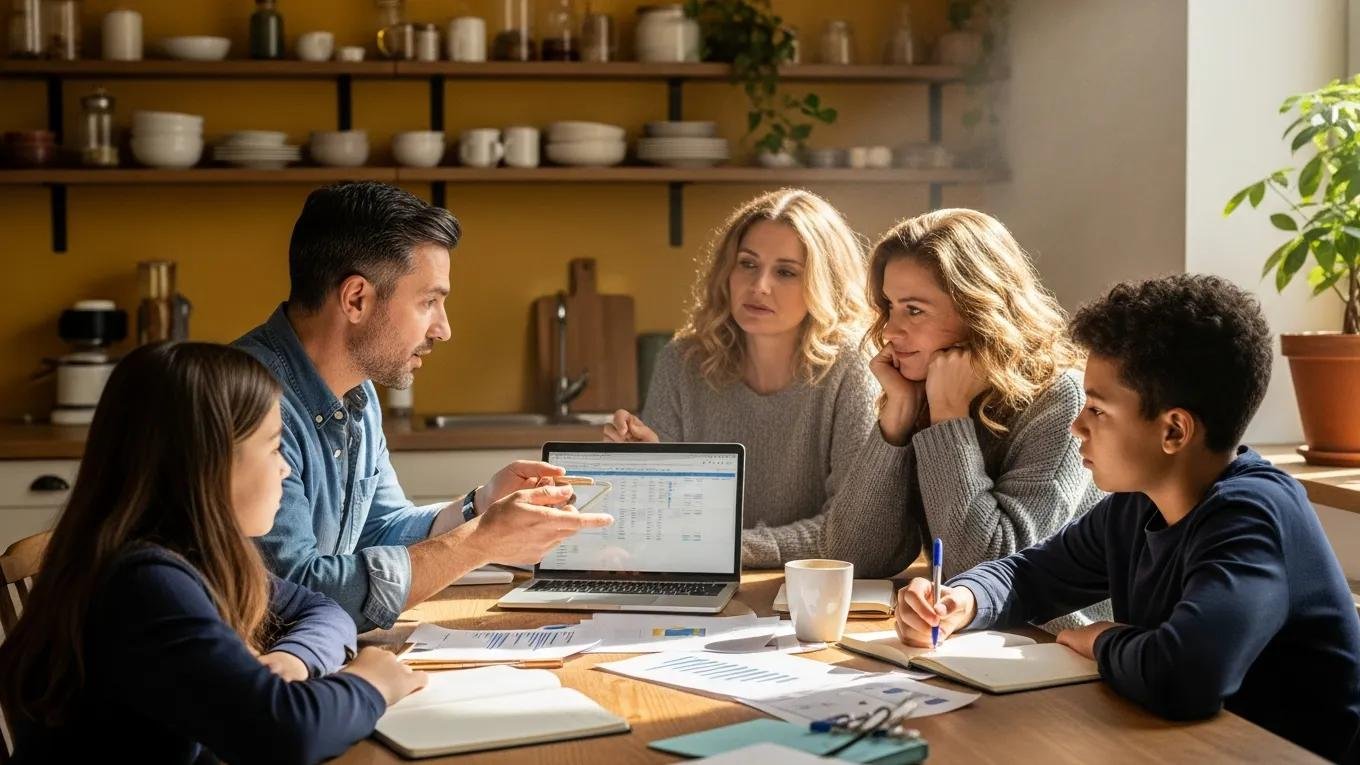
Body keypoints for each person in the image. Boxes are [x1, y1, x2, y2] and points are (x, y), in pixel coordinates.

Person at [895, 274, 1360, 763]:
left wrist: (1104, 638)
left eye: (1097, 409)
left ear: (1174, 431)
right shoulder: (1140, 503)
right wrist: (962, 600)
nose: (1078, 425)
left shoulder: (1253, 516)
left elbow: (1187, 675)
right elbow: (1030, 573)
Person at [0, 342, 427, 763]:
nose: (284, 468)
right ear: (210, 462)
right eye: (275, 446)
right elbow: (282, 733)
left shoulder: (191, 552)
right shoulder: (144, 583)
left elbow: (322, 609)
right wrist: (372, 684)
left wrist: (293, 657)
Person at [235, 182, 613, 632]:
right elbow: (294, 596)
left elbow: (377, 530)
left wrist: (478, 507)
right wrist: (481, 541)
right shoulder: (245, 400)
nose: (443, 329)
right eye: (429, 301)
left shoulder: (357, 393)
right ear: (356, 298)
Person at [823, 210, 1105, 632]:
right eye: (890, 306)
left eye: (914, 310)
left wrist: (948, 417)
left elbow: (992, 572)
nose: (890, 331)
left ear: (978, 310)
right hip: (965, 642)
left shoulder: (1061, 399)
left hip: (1055, 646)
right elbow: (853, 559)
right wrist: (896, 420)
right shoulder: (917, 388)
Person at [604, 188, 880, 567]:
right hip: (699, 576)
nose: (759, 285)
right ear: (727, 272)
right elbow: (657, 526)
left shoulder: (853, 368)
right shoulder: (683, 361)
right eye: (747, 264)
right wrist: (647, 475)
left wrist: (729, 548)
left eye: (786, 272)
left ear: (824, 284)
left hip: (804, 588)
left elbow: (850, 532)